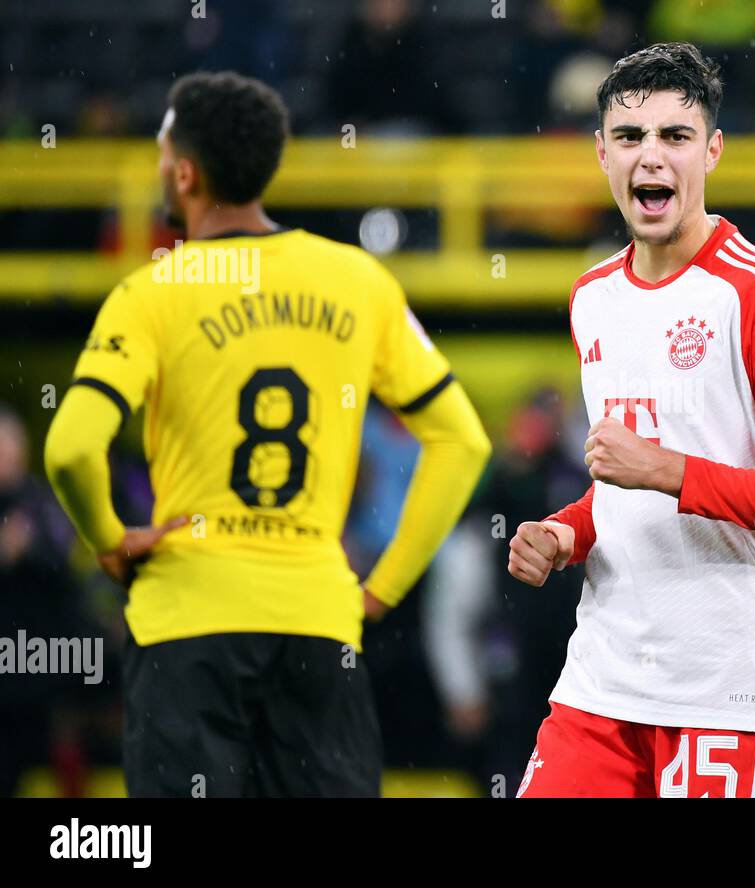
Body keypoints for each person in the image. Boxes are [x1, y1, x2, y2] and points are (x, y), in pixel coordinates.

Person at [43, 71, 491, 797]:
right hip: (318, 622)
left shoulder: (150, 291)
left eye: (162, 150)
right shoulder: (358, 281)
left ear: (184, 172)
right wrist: (380, 590)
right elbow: (462, 440)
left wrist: (107, 538)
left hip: (187, 625)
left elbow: (68, 447)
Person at [506, 43, 755, 798]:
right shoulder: (592, 299)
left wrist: (665, 472)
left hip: (733, 698)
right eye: (632, 137)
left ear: (712, 151)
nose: (652, 156)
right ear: (601, 152)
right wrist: (568, 532)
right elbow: (622, 489)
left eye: (676, 136)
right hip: (601, 689)